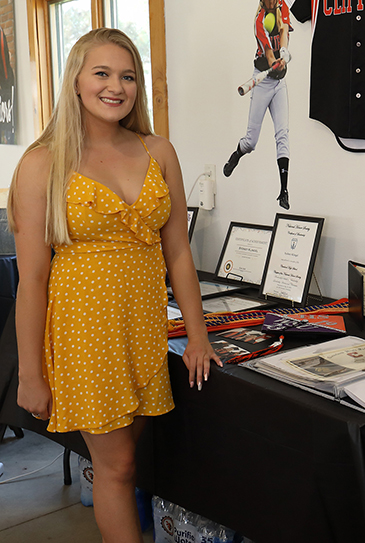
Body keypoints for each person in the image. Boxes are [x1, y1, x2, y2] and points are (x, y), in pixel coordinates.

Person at [7, 28, 221, 543]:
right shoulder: (42, 163)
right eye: (101, 73)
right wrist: (30, 374)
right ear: (76, 81)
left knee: (125, 464)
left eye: (127, 75)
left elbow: (178, 254)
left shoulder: (158, 150)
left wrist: (198, 334)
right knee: (119, 466)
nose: (116, 86)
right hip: (85, 336)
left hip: (144, 330)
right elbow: (31, 279)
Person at [223, 0, 292, 210]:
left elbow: (283, 32)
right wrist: (275, 63)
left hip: (279, 83)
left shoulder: (282, 6)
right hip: (262, 81)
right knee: (251, 142)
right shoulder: (259, 21)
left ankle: (283, 191)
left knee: (283, 133)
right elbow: (269, 55)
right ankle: (238, 153)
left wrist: (285, 53)